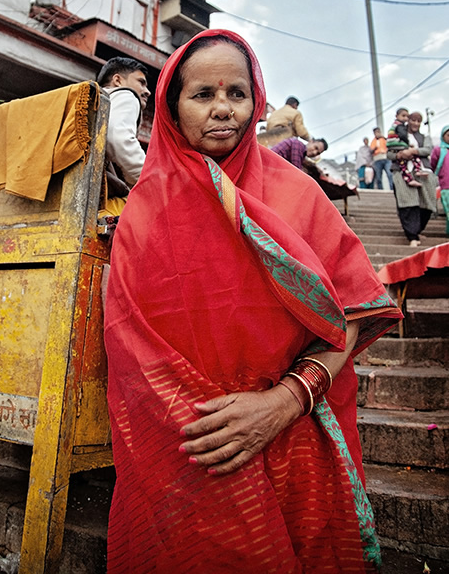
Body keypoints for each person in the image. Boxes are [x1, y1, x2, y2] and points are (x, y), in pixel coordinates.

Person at [104, 29, 401, 573]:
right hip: (191, 439)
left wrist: (282, 404)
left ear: (256, 103)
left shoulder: (298, 193)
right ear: (172, 108)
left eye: (237, 93)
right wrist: (216, 432)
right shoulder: (144, 210)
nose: (223, 109)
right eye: (203, 95)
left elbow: (352, 314)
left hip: (293, 429)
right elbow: (130, 345)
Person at [97, 57, 151, 216]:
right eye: (141, 82)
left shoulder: (93, 99)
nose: (147, 91)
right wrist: (150, 180)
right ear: (118, 80)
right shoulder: (126, 95)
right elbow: (118, 139)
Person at [387, 111, 437, 247]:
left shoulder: (424, 137)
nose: (415, 123)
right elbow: (389, 153)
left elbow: (427, 150)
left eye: (418, 121)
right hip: (402, 171)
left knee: (427, 203)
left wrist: (412, 151)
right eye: (413, 120)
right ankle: (412, 236)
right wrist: (399, 155)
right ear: (408, 120)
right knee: (407, 203)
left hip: (423, 171)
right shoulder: (398, 135)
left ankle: (417, 230)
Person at [386, 108, 425, 188]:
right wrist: (408, 146)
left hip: (395, 146)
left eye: (407, 116)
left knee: (403, 164)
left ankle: (412, 177)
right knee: (413, 158)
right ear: (396, 116)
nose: (405, 118)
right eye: (403, 116)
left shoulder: (394, 125)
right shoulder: (399, 126)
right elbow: (403, 136)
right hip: (397, 145)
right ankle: (416, 173)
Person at [431, 124, 449, 236]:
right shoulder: (438, 150)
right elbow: (433, 164)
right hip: (446, 185)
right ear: (443, 136)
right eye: (448, 135)